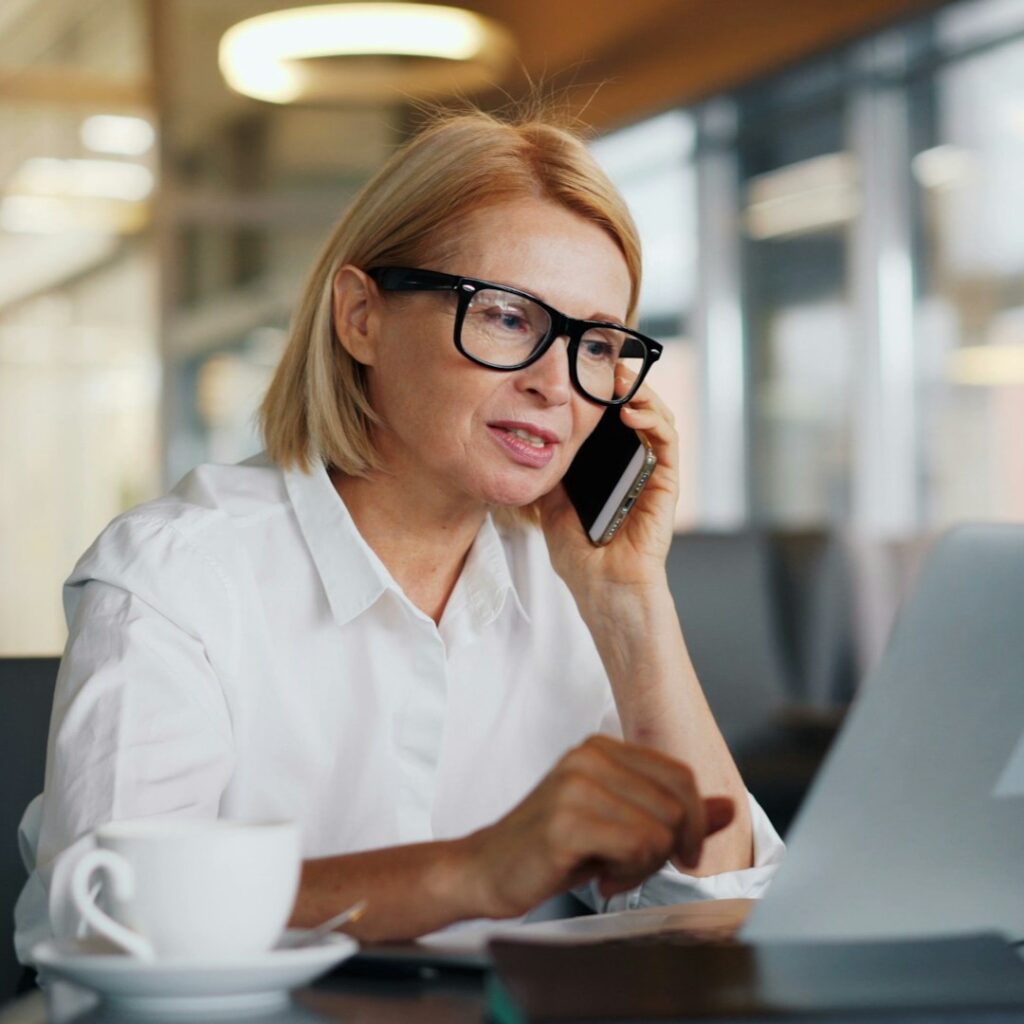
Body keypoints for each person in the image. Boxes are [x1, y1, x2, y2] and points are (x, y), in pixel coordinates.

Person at [15, 107, 783, 960]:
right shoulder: (178, 576)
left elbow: (719, 908)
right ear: (361, 317)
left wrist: (630, 601)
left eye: (596, 344)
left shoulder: (575, 585)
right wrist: (471, 871)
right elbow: (110, 925)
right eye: (507, 317)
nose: (556, 385)